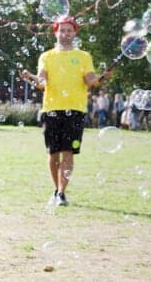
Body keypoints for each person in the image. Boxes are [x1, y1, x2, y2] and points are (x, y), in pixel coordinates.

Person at [19, 17, 109, 207]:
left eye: (69, 30)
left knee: (68, 153)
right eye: (62, 30)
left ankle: (61, 193)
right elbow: (42, 82)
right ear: (55, 32)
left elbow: (90, 80)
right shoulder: (47, 56)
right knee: (53, 155)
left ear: (75, 32)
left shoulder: (84, 56)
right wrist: (31, 78)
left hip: (75, 110)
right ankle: (55, 188)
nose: (65, 33)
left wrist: (101, 77)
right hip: (51, 109)